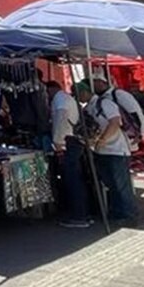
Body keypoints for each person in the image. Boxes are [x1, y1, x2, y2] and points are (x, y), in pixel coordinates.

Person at [76, 78, 138, 223]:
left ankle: (128, 214)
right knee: (111, 184)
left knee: (121, 185)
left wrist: (102, 140)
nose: (77, 97)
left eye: (77, 94)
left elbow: (115, 122)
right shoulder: (87, 109)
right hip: (101, 151)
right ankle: (117, 212)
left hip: (116, 150)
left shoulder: (105, 103)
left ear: (85, 92)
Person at [47, 81, 88, 228]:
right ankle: (82, 213)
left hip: (68, 143)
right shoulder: (67, 98)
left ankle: (78, 216)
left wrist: (57, 142)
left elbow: (61, 120)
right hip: (74, 142)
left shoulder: (60, 100)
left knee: (72, 179)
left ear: (51, 90)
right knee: (76, 178)